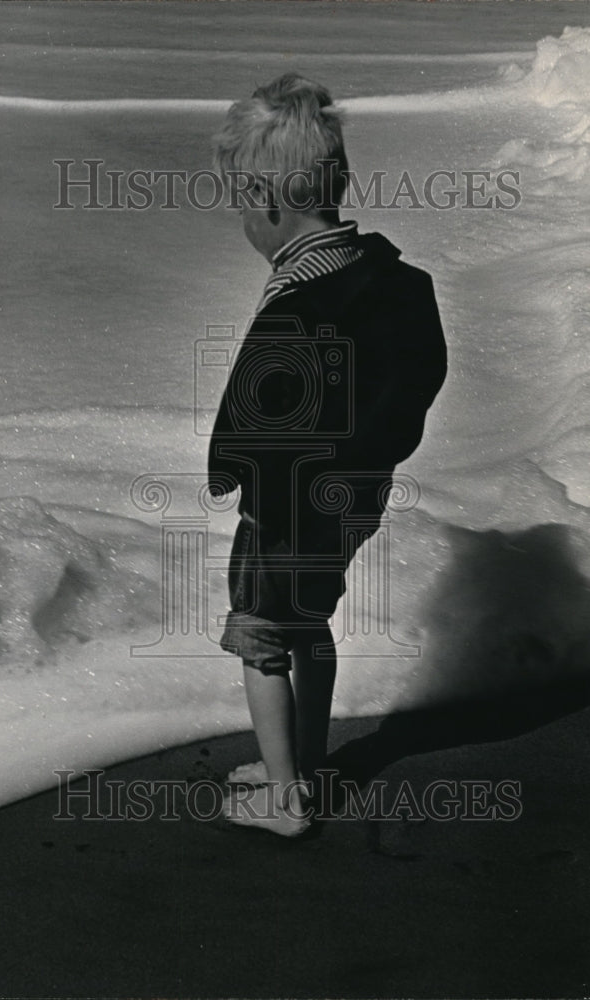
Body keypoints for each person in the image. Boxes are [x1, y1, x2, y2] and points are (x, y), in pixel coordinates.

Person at [208, 74, 447, 835]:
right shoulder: (390, 282)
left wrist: (240, 479)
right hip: (356, 496)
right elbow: (417, 377)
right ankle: (305, 766)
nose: (243, 223)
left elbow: (265, 416)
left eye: (242, 206)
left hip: (287, 508)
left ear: (267, 201)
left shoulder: (298, 302)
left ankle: (283, 799)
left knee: (259, 635)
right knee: (310, 623)